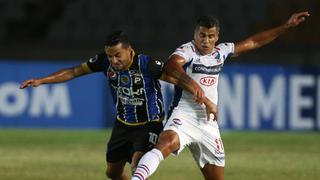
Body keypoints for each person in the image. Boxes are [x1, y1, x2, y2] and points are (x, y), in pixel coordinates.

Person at [131, 11, 310, 180]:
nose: (206, 41)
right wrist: (195, 87)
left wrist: (286, 26)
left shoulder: (221, 52)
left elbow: (254, 42)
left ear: (217, 37)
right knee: (166, 142)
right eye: (202, 35)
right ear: (195, 34)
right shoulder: (188, 51)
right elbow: (171, 66)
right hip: (183, 114)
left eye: (210, 36)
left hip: (208, 122)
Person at [19, 30, 214, 180]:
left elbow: (176, 79)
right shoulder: (104, 62)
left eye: (117, 55)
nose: (113, 60)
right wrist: (41, 81)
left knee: (138, 166)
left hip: (149, 124)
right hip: (122, 125)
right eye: (110, 56)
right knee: (112, 173)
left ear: (129, 51)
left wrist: (202, 97)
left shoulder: (146, 64)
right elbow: (74, 71)